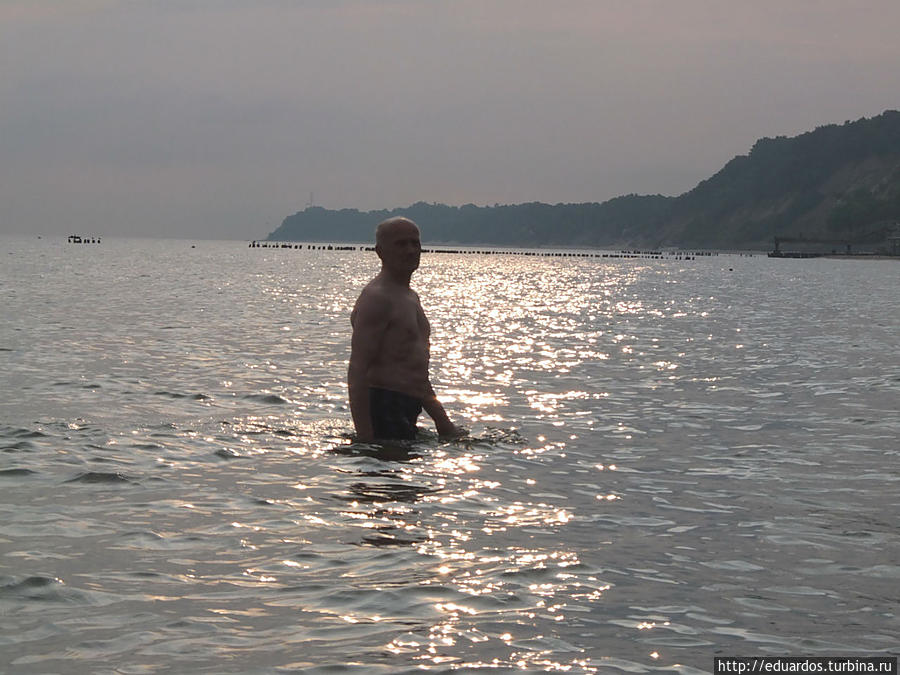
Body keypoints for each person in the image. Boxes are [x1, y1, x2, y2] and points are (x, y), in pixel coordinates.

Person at [348, 217, 465, 442]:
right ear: (380, 252)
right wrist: (365, 438)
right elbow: (358, 369)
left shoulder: (410, 297)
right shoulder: (378, 298)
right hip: (383, 408)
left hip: (406, 408)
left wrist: (443, 423)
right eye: (401, 244)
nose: (411, 250)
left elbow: (414, 370)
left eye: (415, 243)